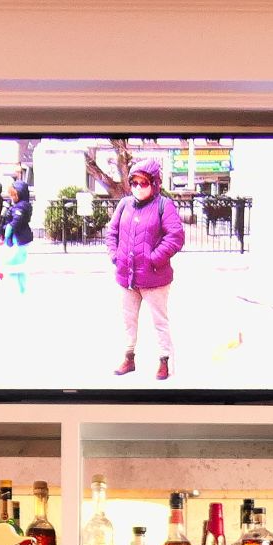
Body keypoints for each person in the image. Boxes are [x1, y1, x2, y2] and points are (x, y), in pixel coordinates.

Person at [105, 159, 184, 380]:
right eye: (135, 183)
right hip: (127, 277)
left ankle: (164, 360)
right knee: (127, 321)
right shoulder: (125, 204)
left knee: (160, 321)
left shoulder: (164, 205)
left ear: (154, 183)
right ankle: (128, 358)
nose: (138, 187)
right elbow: (112, 232)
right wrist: (115, 256)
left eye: (144, 183)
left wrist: (154, 259)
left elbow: (175, 236)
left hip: (155, 278)